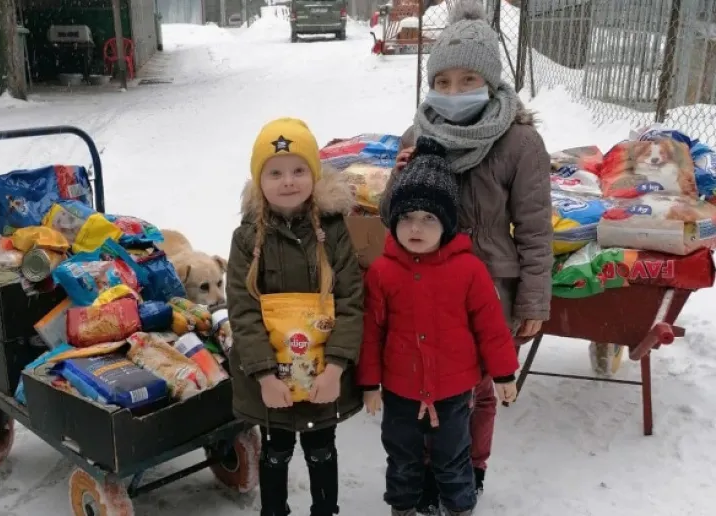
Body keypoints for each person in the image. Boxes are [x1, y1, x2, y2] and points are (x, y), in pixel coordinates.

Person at [379, 0, 553, 511]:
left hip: (491, 289)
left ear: (494, 82)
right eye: (444, 81)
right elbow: (394, 216)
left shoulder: (520, 142)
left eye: (469, 80)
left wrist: (533, 302)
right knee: (428, 385)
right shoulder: (419, 134)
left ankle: (467, 475)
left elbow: (536, 229)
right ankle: (427, 476)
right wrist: (399, 174)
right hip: (426, 289)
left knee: (477, 392)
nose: (454, 92)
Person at [359, 136, 520, 516]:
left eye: (429, 218)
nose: (416, 227)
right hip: (399, 391)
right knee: (402, 458)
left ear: (446, 224)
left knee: (452, 458)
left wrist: (504, 375)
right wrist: (369, 383)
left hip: (452, 393)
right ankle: (403, 508)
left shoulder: (468, 270)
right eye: (407, 217)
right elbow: (371, 331)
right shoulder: (383, 272)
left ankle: (460, 507)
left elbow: (491, 327)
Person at [225, 117, 364, 516]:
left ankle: (325, 510)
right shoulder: (247, 238)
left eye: (299, 170)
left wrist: (336, 368)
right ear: (259, 180)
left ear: (314, 175)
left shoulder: (334, 231)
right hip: (271, 377)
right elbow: (243, 308)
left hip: (322, 371)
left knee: (321, 447)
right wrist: (265, 376)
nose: (288, 181)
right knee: (276, 449)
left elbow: (351, 300)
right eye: (275, 172)